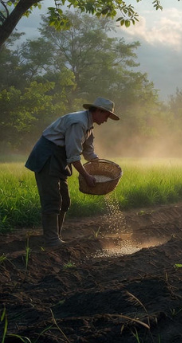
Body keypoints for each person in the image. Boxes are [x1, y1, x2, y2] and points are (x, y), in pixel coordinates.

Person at [24, 97, 119, 247]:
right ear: (99, 111)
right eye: (107, 116)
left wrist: (98, 163)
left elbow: (88, 152)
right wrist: (86, 175)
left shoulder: (88, 126)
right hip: (48, 157)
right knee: (52, 199)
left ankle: (56, 236)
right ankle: (51, 240)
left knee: (65, 201)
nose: (107, 120)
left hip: (60, 159)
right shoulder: (78, 123)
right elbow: (73, 155)